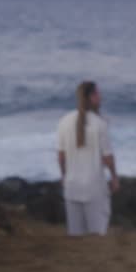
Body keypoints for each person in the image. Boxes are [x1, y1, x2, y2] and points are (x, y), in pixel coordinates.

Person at [56, 80, 119, 236]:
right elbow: (108, 157)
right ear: (91, 97)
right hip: (94, 187)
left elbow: (61, 156)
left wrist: (64, 176)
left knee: (76, 237)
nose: (101, 97)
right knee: (97, 235)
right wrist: (114, 177)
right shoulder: (100, 124)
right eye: (98, 94)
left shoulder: (64, 121)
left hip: (72, 186)